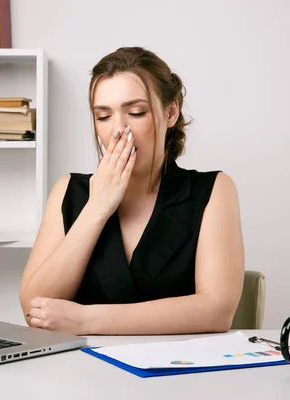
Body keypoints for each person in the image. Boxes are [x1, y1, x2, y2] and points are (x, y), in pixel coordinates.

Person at [19, 46, 245, 336]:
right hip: (81, 374)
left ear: (171, 111)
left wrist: (86, 320)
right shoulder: (68, 191)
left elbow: (216, 311)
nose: (118, 130)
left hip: (180, 372)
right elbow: (33, 309)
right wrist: (97, 207)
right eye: (103, 116)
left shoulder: (213, 190)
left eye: (136, 112)